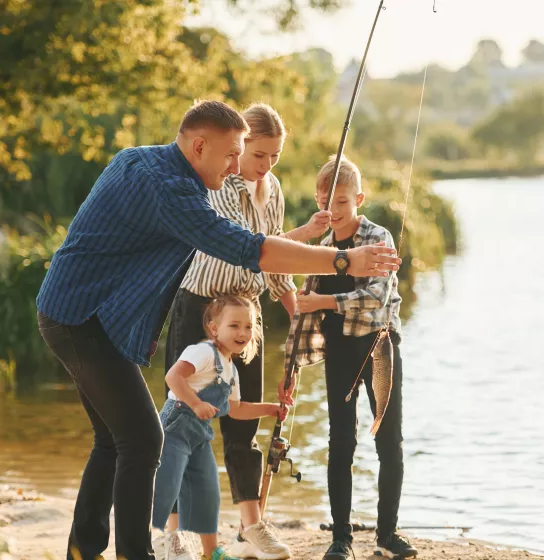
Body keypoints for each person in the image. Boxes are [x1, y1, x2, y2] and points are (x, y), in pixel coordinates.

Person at [36, 100, 401, 560]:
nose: (237, 166)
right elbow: (250, 249)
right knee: (144, 439)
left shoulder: (141, 158)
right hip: (80, 318)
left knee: (114, 438)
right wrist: (344, 260)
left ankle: (83, 550)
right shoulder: (171, 191)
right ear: (199, 146)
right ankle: (134, 553)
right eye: (233, 154)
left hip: (90, 313)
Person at [163, 103, 328, 560]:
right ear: (240, 147)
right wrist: (301, 240)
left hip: (246, 312)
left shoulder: (271, 187)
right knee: (183, 424)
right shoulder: (219, 184)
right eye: (259, 155)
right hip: (200, 307)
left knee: (244, 424)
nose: (265, 166)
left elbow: (274, 262)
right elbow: (242, 246)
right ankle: (173, 534)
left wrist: (294, 309)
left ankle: (252, 526)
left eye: (275, 157)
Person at [281, 156, 418, 559]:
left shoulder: (379, 238)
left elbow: (375, 299)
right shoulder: (319, 248)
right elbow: (283, 278)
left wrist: (321, 300)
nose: (333, 210)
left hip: (379, 347)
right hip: (338, 349)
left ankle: (387, 534)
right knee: (340, 441)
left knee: (389, 441)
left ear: (358, 198)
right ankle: (341, 538)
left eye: (341, 201)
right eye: (325, 201)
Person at [153, 295, 290, 560]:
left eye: (249, 327)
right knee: (175, 483)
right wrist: (195, 404)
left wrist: (271, 408)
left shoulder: (230, 370)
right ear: (215, 328)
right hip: (175, 427)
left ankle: (211, 552)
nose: (243, 332)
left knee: (207, 491)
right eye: (234, 325)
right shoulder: (203, 352)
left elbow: (236, 409)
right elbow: (173, 376)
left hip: (198, 434)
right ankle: (169, 543)